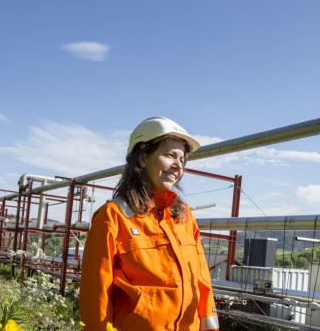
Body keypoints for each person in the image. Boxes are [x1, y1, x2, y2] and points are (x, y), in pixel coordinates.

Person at [79, 117, 219, 331]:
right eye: (170, 155)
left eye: (182, 159)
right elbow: (96, 296)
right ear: (143, 158)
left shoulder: (184, 216)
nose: (177, 166)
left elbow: (201, 279)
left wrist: (209, 325)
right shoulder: (113, 217)